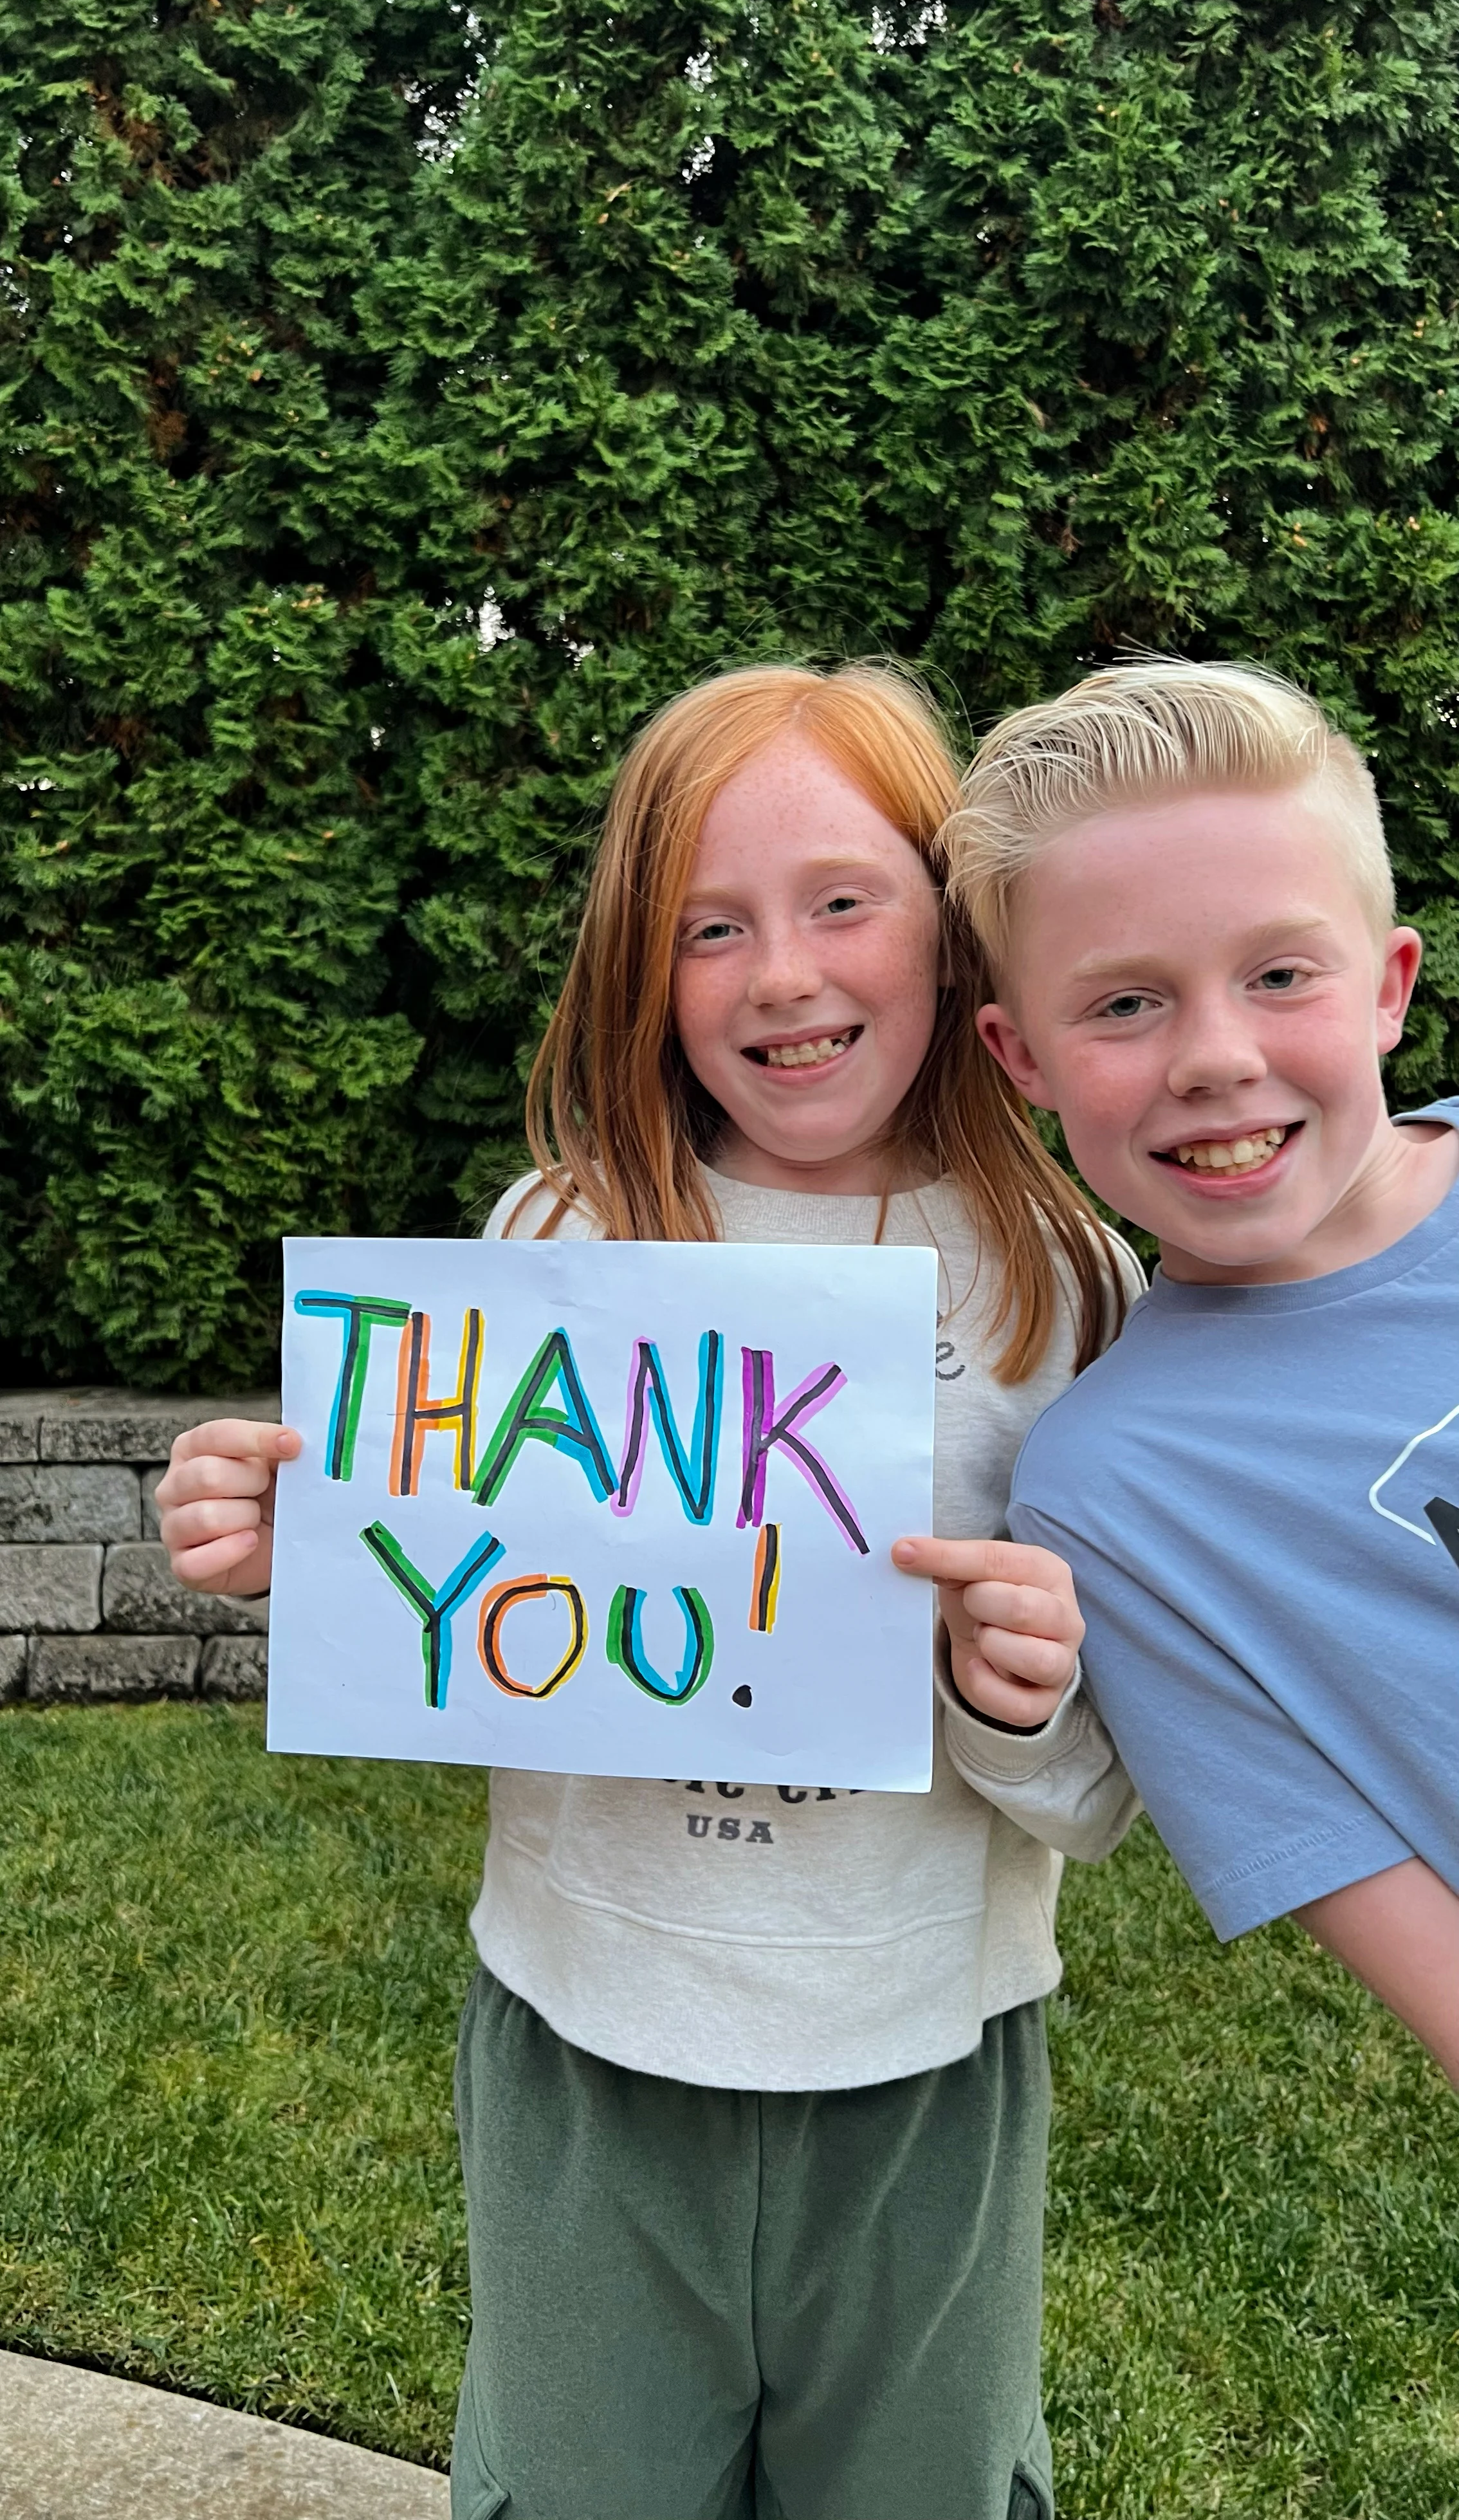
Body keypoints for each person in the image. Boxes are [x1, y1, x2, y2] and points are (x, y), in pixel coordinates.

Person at [156, 661, 1143, 2520]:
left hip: (920, 2059)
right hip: (586, 2039)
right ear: (641, 963)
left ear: (953, 932)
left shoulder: (1064, 1291)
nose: (782, 973)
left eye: (843, 902)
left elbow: (1097, 1798)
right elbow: (471, 1621)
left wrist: (1010, 1696)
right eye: (711, 926)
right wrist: (309, 1556)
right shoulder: (560, 1242)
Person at [941, 657, 1459, 2091]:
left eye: (1280, 975)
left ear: (1389, 988)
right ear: (1021, 1056)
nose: (1216, 1059)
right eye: (1123, 1007)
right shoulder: (1115, 1500)